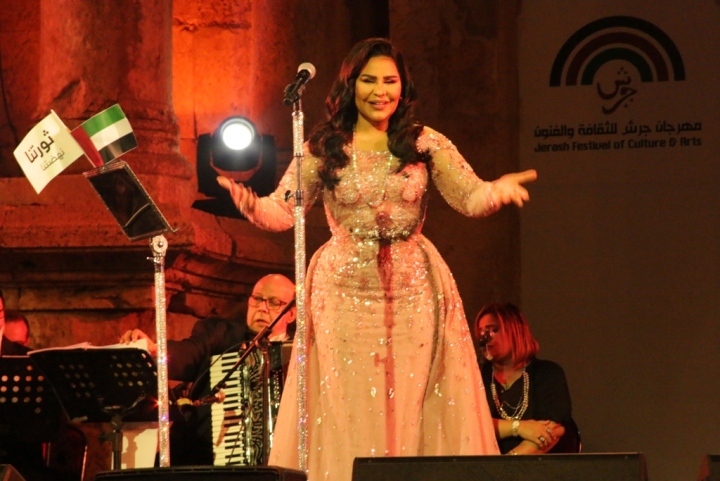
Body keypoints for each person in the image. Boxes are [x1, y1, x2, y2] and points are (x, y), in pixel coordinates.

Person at [217, 38, 537, 481]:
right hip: (342, 292)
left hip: (413, 289)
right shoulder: (324, 146)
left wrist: (496, 191)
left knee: (412, 400)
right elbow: (282, 211)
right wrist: (251, 205)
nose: (380, 91)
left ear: (403, 87)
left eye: (390, 81)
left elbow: (469, 197)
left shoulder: (423, 142)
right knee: (346, 403)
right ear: (351, 85)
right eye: (369, 80)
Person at [119, 273, 297, 465]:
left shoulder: (299, 353)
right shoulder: (222, 333)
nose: (262, 308)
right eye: (257, 299)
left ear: (291, 314)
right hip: (204, 456)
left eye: (274, 302)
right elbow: (190, 351)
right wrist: (155, 350)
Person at [475, 302, 580, 455]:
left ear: (515, 331)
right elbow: (471, 426)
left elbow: (551, 431)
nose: (485, 337)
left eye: (494, 330)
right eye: (481, 331)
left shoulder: (547, 373)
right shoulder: (477, 376)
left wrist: (506, 464)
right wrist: (520, 427)